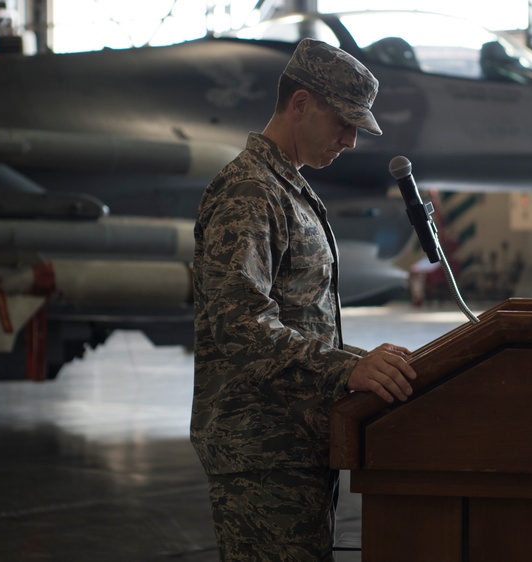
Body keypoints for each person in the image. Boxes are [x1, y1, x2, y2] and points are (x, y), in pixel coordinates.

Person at [191, 38, 418, 561]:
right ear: (300, 104)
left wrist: (363, 362)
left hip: (292, 444)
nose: (351, 141)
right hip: (261, 450)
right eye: (343, 122)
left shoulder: (285, 186)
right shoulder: (248, 191)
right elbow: (241, 324)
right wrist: (346, 370)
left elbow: (298, 319)